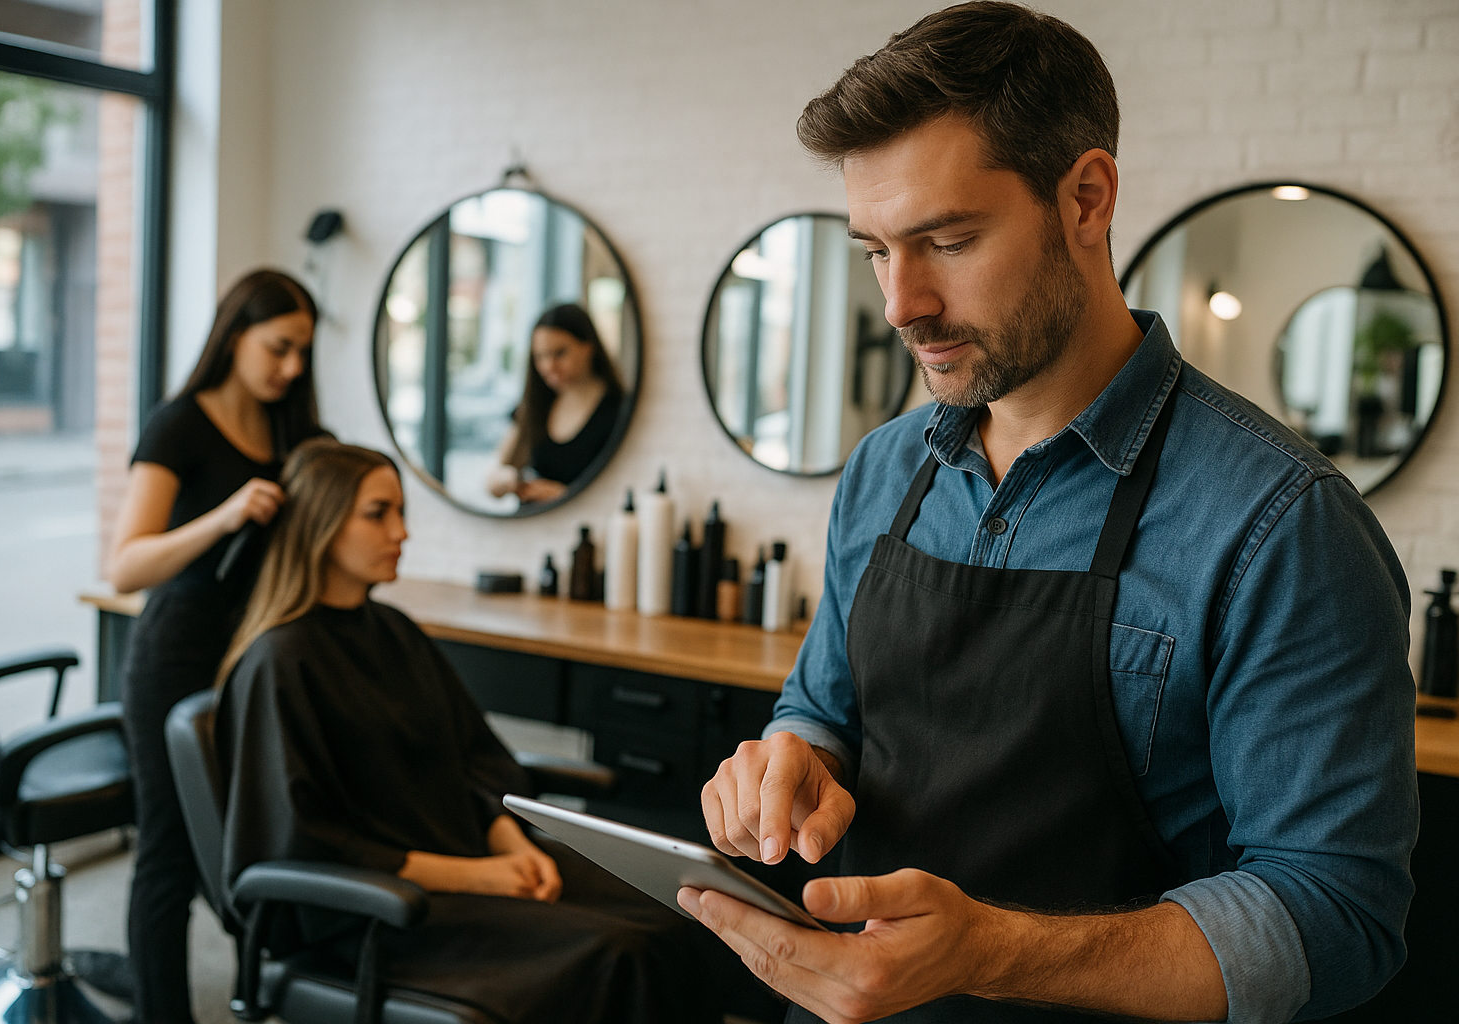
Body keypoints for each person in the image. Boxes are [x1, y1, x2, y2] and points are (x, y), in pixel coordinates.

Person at [684, 5, 1417, 1023]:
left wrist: (990, 949)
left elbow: (1337, 914)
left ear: (1086, 197)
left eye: (946, 240)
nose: (901, 303)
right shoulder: (886, 468)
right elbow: (826, 706)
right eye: (874, 252)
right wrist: (793, 762)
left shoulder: (1280, 525)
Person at [213, 439, 717, 1024]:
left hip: (470, 853)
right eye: (378, 514)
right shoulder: (280, 661)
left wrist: (511, 843)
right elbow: (305, 841)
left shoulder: (393, 632)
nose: (401, 532)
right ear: (318, 524)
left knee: (676, 913)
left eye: (401, 512)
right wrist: (481, 877)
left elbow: (472, 756)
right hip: (379, 911)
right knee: (623, 954)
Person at [107, 269, 326, 1024]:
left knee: (254, 850)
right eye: (279, 347)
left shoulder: (298, 435)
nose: (293, 367)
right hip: (174, 660)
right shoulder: (180, 426)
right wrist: (226, 516)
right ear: (235, 335)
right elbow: (127, 564)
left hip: (257, 667)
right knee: (168, 853)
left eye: (303, 351)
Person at [487, 303, 624, 504]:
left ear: (588, 347)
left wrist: (563, 496)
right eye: (540, 357)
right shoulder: (537, 404)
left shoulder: (618, 409)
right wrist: (507, 479)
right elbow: (493, 477)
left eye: (559, 353)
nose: (548, 366)